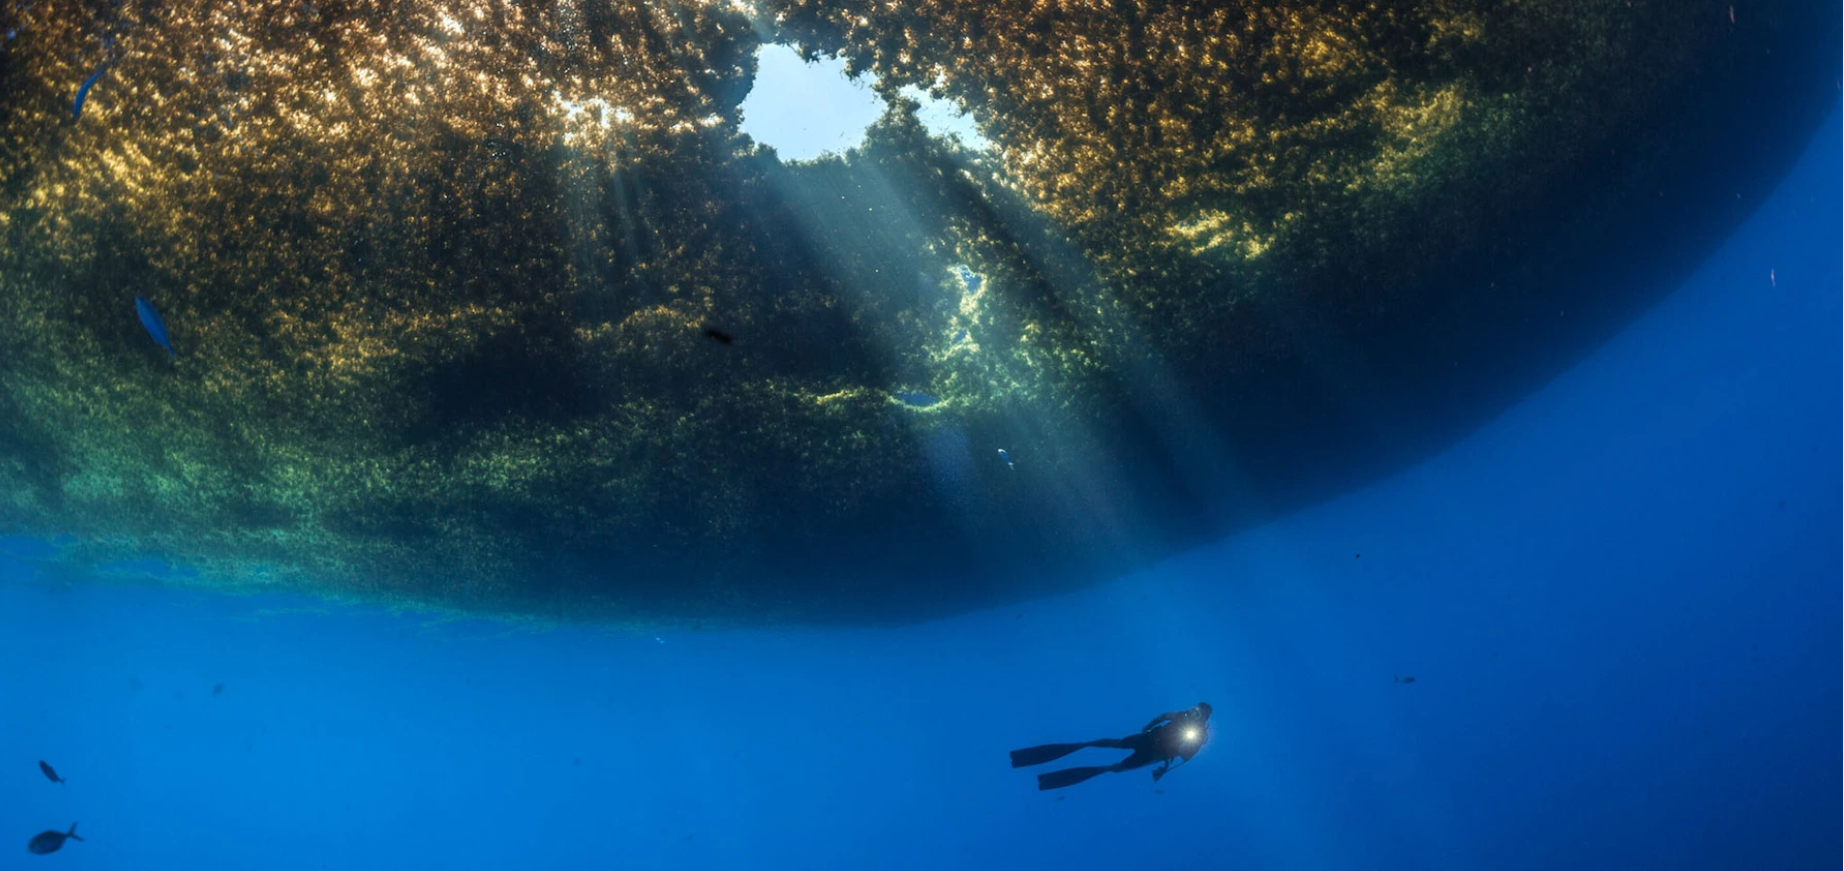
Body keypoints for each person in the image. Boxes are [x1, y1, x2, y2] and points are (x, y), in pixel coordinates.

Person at [1010, 702, 1213, 790]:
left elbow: (1185, 758)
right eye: (1195, 710)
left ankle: (1094, 767)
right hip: (1148, 739)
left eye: (1199, 714)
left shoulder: (1198, 737)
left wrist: (1187, 747)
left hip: (1155, 753)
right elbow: (1164, 716)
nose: (1194, 714)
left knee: (1116, 768)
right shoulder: (1181, 715)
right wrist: (1148, 726)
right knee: (1115, 743)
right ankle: (1084, 744)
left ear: (1203, 719)